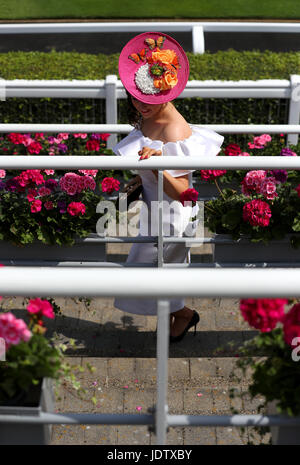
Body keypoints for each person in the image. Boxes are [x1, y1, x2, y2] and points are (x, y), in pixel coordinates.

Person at [112, 32, 224, 343]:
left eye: (148, 100)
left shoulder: (176, 130)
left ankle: (184, 315)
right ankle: (182, 314)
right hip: (153, 212)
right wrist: (140, 178)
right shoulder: (149, 115)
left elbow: (183, 194)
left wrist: (156, 167)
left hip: (172, 218)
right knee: (156, 274)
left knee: (150, 274)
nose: (140, 105)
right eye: (136, 97)